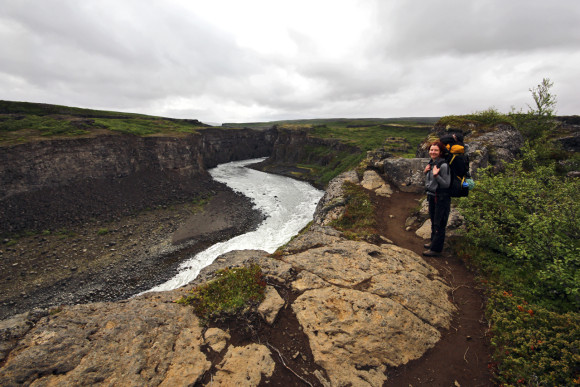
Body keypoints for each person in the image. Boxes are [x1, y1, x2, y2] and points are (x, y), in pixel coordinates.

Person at [423, 141, 451, 257]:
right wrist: (426, 172)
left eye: (435, 150)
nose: (432, 152)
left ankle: (436, 249)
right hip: (432, 196)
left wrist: (436, 176)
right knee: (434, 221)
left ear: (440, 152)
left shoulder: (443, 165)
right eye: (431, 150)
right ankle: (433, 242)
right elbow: (429, 182)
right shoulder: (432, 163)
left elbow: (446, 184)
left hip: (441, 198)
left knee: (439, 223)